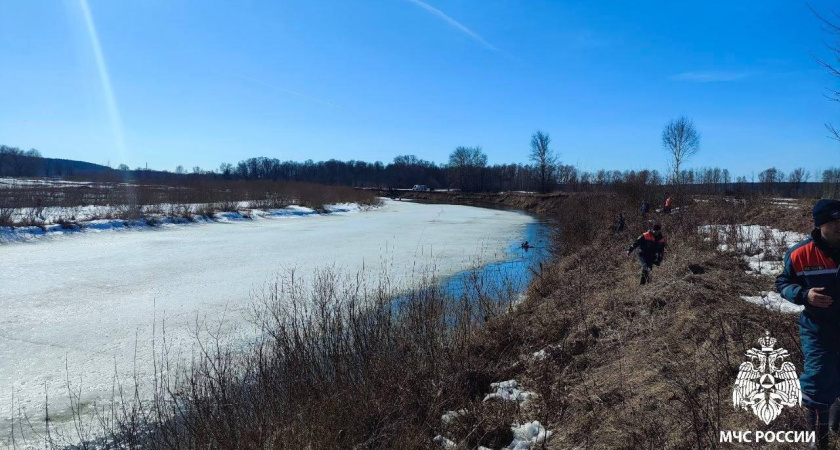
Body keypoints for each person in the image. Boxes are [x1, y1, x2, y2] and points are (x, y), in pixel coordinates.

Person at [776, 199, 840, 449]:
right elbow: (782, 283)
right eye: (833, 222)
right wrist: (805, 295)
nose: (839, 227)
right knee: (818, 379)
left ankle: (836, 421)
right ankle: (818, 441)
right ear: (820, 224)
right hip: (818, 328)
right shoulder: (799, 254)